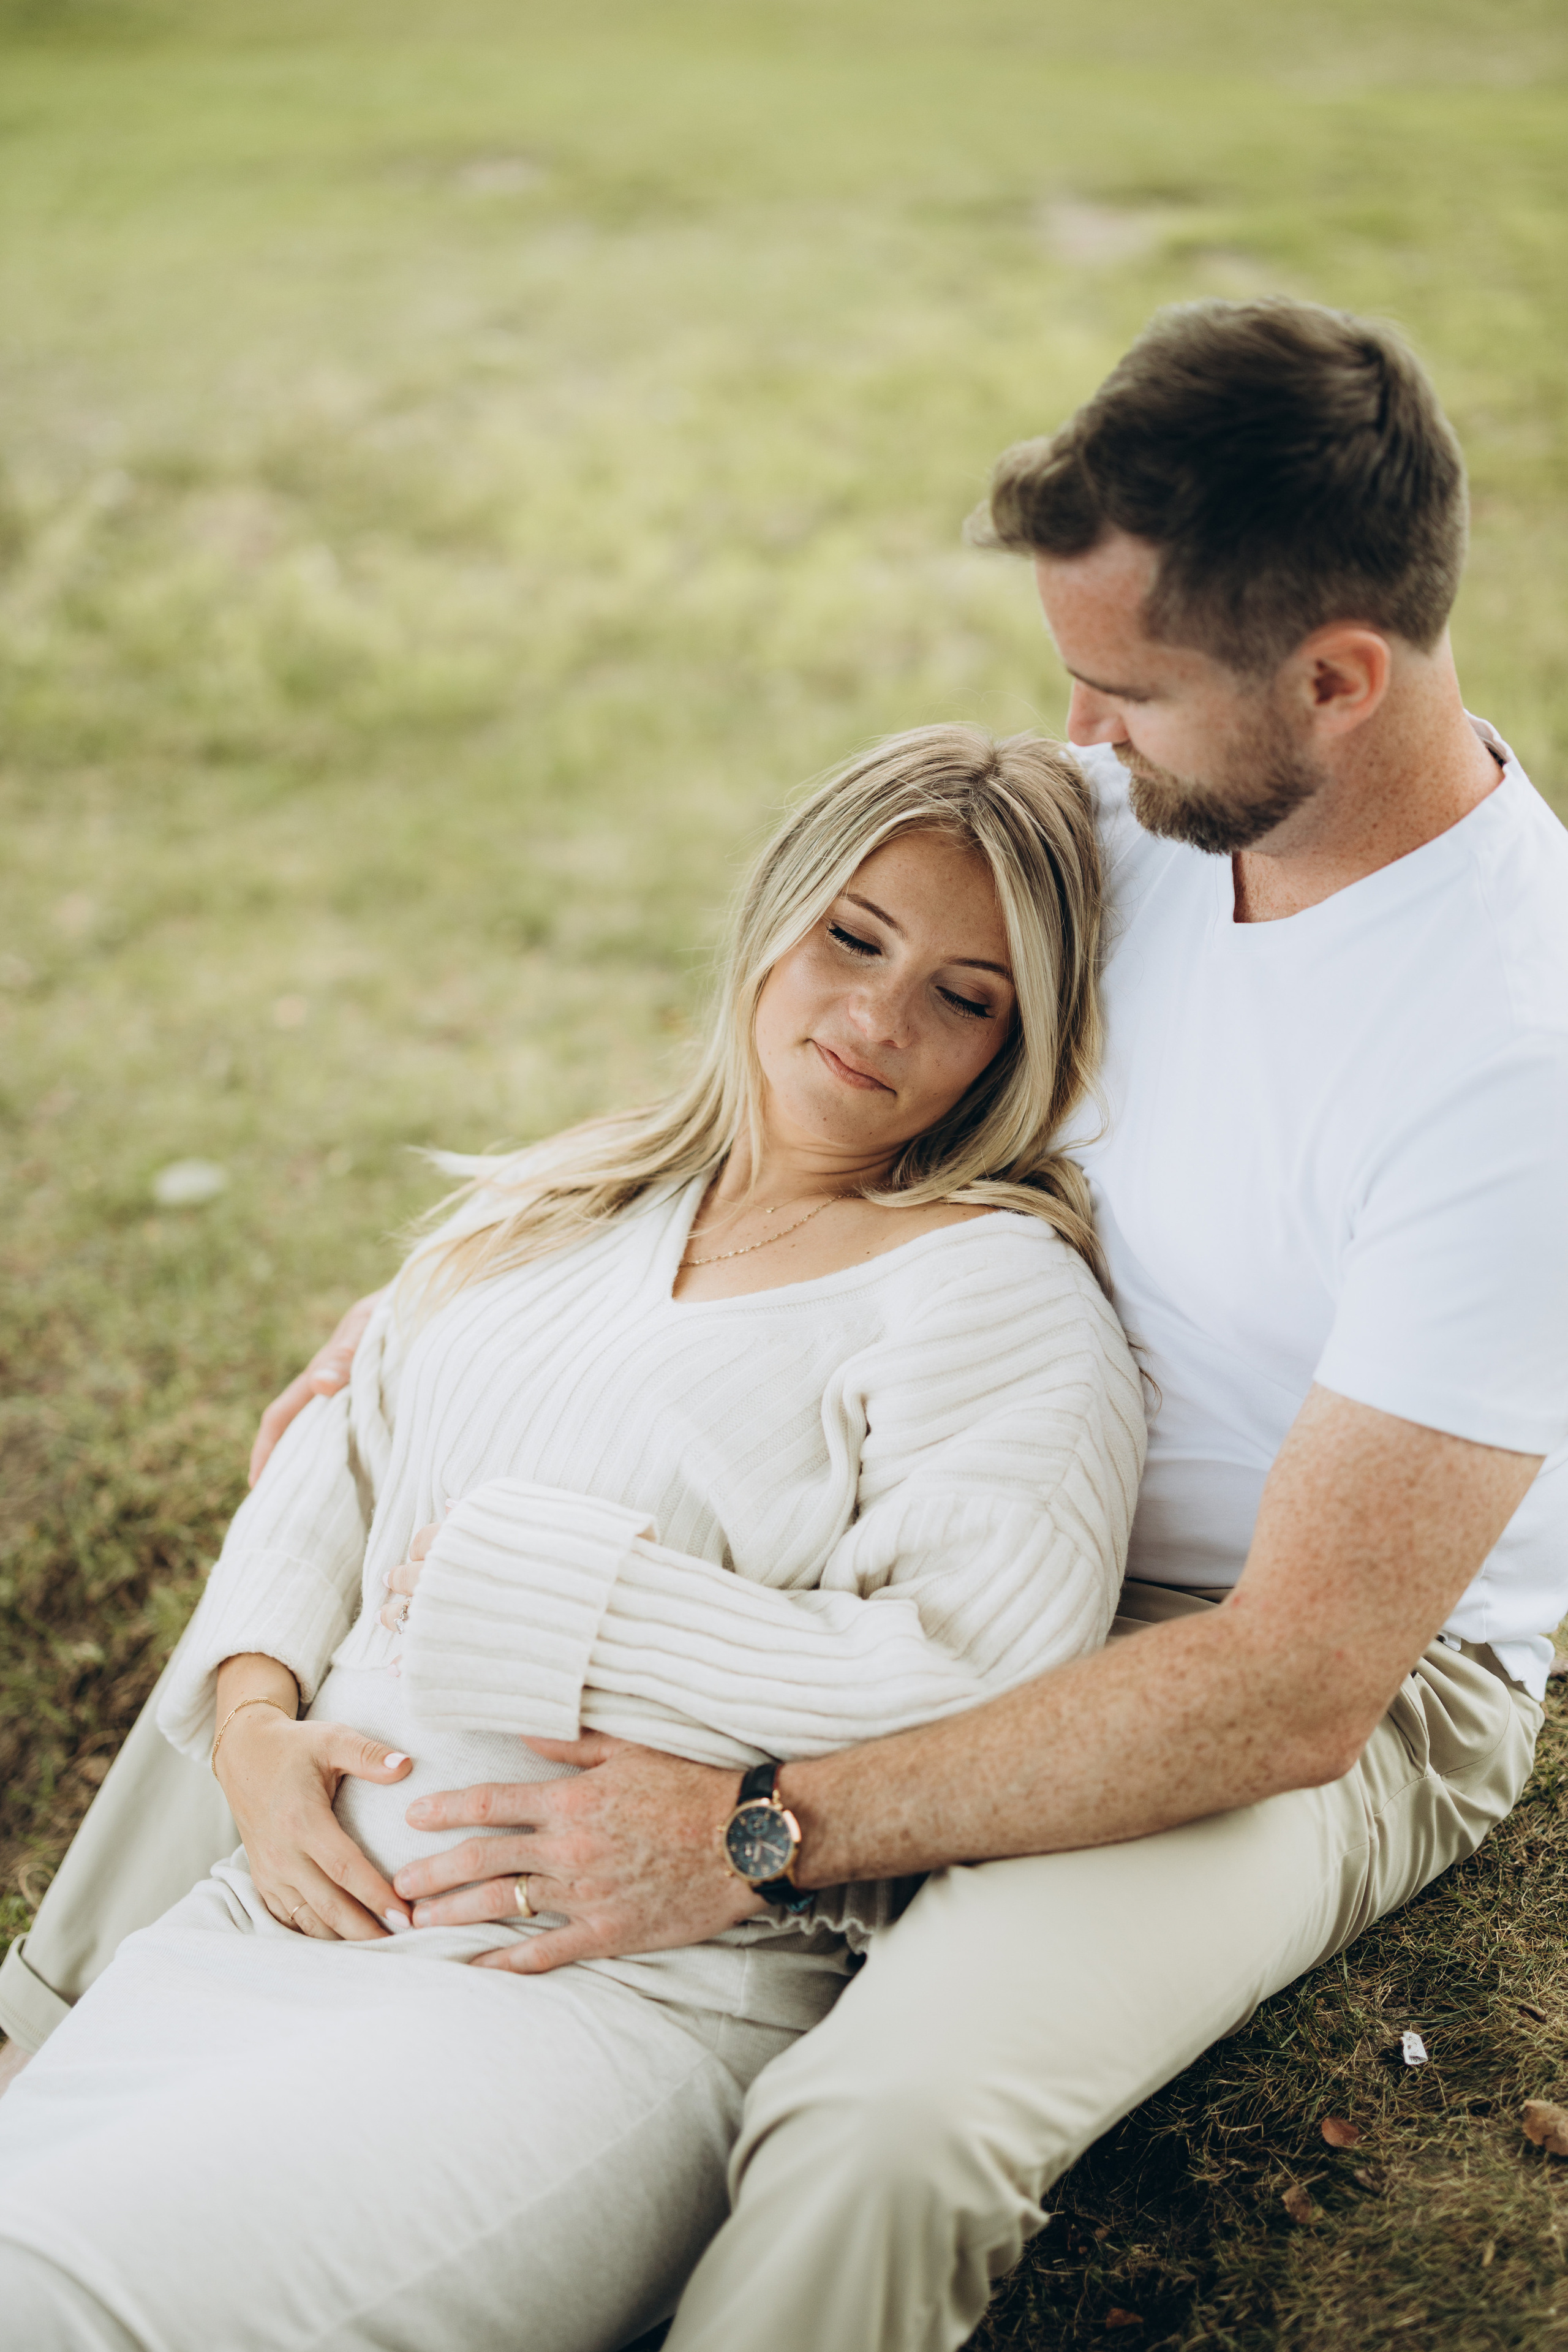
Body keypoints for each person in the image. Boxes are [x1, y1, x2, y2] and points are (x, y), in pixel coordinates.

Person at [2, 296, 1564, 2352]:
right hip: (974, 1502)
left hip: (1289, 1654)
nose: (1078, 735)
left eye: (1123, 690)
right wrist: (473, 1290)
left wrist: (762, 1829)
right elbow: (834, 1002)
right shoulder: (1148, 813)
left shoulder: (1511, 1052)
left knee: (886, 2128)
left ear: (1337, 679)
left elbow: (1297, 1686)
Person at [0, 728, 1145, 2350]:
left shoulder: (991, 1296)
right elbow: (344, 1442)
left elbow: (984, 1680)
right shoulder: (578, 1195)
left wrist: (561, 1601)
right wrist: (253, 1726)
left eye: (964, 997)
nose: (880, 1019)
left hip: (598, 1998)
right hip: (274, 1925)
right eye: (853, 938)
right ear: (773, 916)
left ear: (1016, 1046)